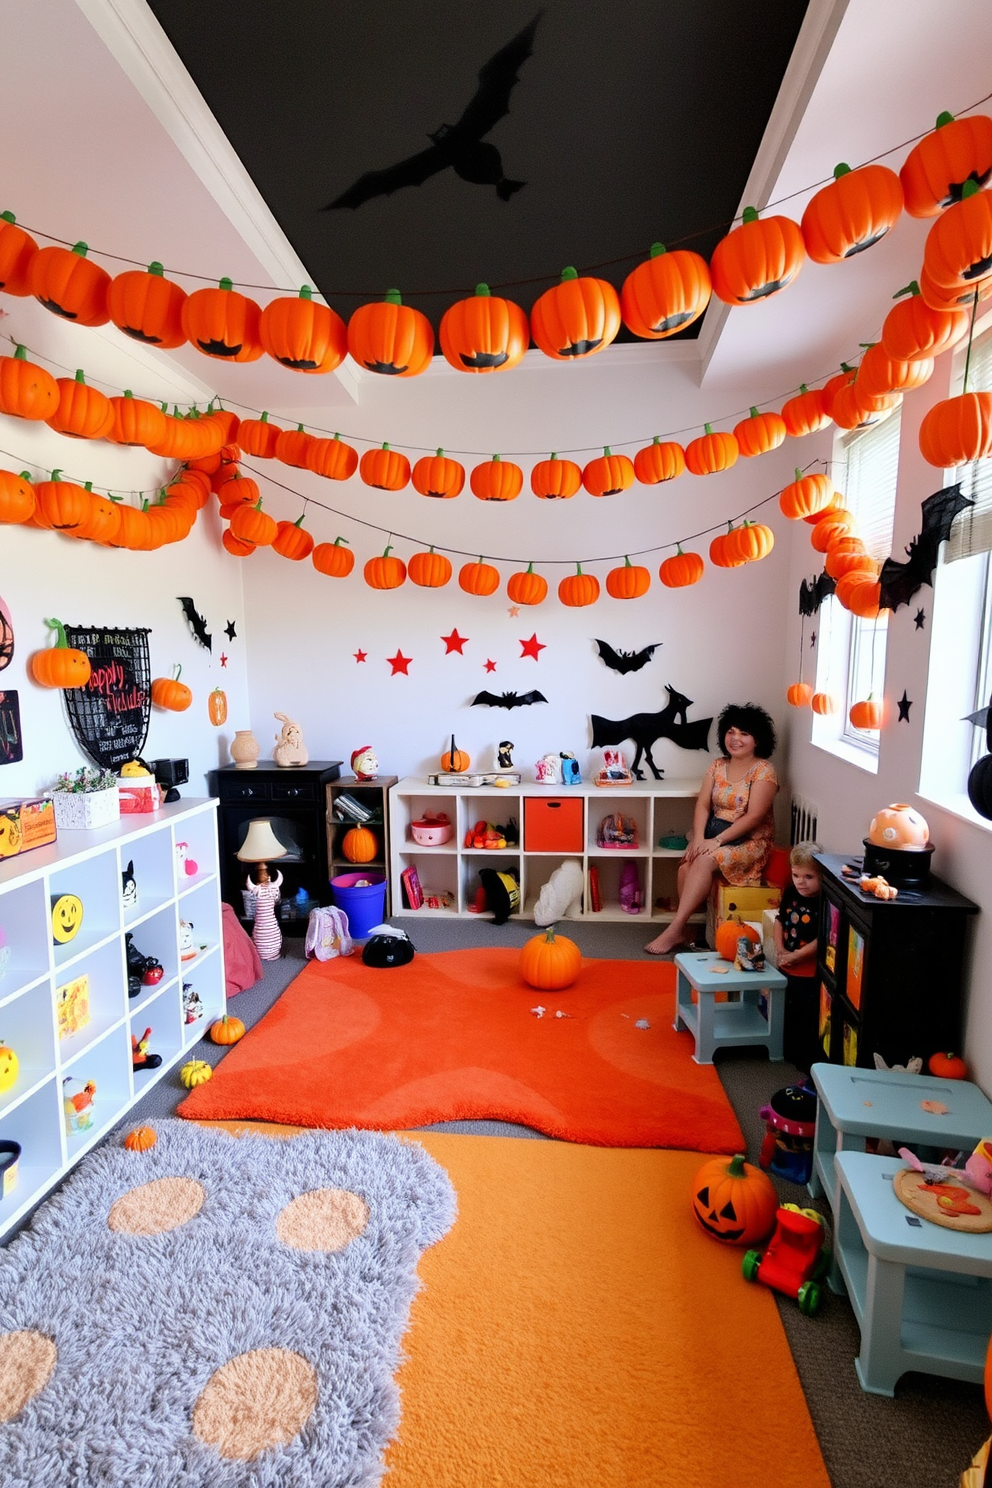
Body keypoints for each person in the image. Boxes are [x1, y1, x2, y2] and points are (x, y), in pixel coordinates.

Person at [644, 702, 778, 955]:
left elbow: (755, 816)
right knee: (687, 864)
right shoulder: (717, 765)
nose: (735, 738)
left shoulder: (764, 771)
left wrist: (716, 842)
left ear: (757, 739)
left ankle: (675, 929)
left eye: (744, 734)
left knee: (704, 861)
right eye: (731, 731)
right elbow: (703, 805)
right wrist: (697, 839)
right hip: (715, 833)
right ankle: (686, 928)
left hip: (749, 841)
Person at [774, 843, 823, 1073]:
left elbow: (821, 939)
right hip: (787, 963)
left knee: (806, 1014)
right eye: (796, 875)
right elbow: (779, 921)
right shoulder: (791, 892)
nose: (800, 881)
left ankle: (805, 1060)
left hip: (808, 969)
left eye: (809, 876)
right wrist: (781, 949)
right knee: (786, 1009)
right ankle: (786, 1050)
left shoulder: (822, 902)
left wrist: (797, 956)